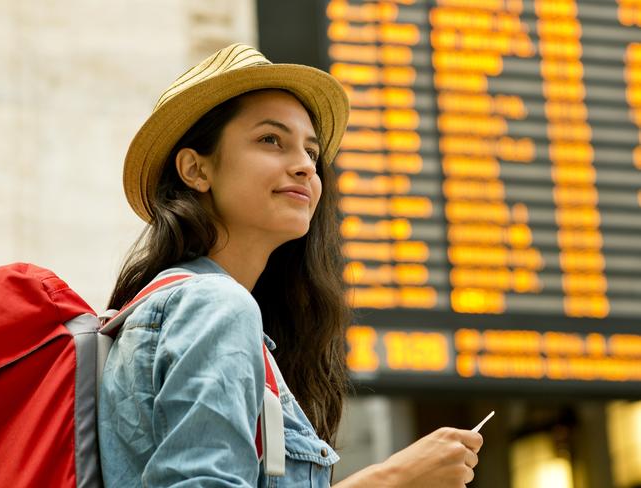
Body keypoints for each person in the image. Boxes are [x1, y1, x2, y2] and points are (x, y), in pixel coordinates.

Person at [98, 43, 483, 487]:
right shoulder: (215, 305)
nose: (304, 166)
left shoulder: (180, 306)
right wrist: (391, 478)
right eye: (270, 140)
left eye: (312, 153)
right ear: (195, 170)